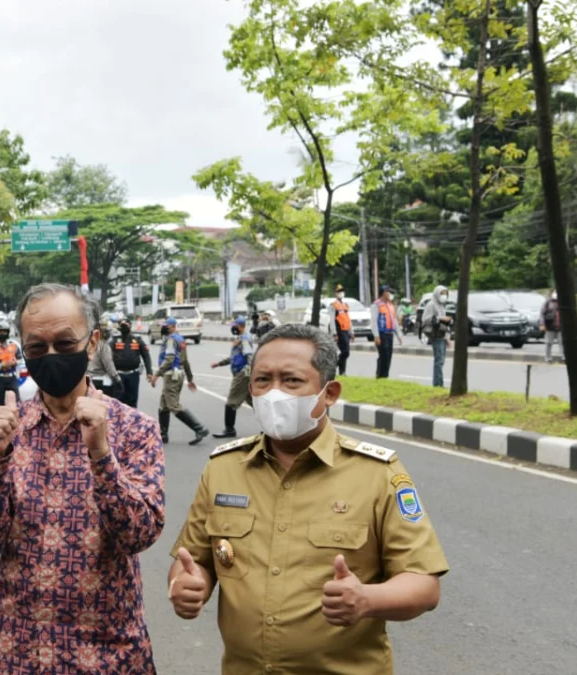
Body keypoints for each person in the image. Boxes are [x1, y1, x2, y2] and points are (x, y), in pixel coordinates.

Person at [167, 323, 447, 674]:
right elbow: (194, 559)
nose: (274, 393)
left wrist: (367, 599)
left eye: (292, 381)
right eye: (263, 380)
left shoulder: (378, 474)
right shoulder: (224, 468)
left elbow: (423, 583)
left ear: (329, 393)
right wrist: (186, 585)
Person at [0, 283, 165, 674]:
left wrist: (102, 455)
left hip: (106, 653)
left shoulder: (135, 430)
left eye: (65, 343)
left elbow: (139, 534)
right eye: (37, 347)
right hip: (14, 650)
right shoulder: (7, 428)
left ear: (92, 343)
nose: (51, 356)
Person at [150, 317, 209, 445]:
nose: (164, 328)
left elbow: (170, 359)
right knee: (163, 405)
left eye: (166, 326)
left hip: (172, 375)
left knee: (173, 405)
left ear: (173, 326)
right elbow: (185, 360)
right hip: (177, 374)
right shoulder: (180, 339)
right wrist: (189, 378)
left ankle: (200, 428)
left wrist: (156, 375)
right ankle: (163, 434)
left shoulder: (171, 340)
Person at [210, 316, 253, 438]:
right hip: (241, 374)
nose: (233, 328)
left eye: (235, 326)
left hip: (242, 374)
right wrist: (219, 364)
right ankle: (270, 426)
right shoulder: (239, 339)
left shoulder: (244, 339)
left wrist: (249, 370)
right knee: (255, 402)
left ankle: (229, 430)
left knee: (231, 402)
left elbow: (249, 355)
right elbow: (234, 357)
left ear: (241, 326)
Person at [109, 316, 153, 408]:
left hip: (133, 374)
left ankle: (132, 421)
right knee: (118, 400)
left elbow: (146, 355)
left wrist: (149, 372)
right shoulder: (114, 340)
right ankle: (119, 421)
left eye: (126, 325)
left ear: (130, 326)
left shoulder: (137, 340)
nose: (124, 327)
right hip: (118, 375)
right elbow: (106, 356)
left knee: (132, 399)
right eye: (122, 325)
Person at [422, 286, 453, 387]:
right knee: (439, 361)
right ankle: (438, 384)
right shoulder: (431, 305)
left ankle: (439, 383)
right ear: (436, 294)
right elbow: (426, 319)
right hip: (435, 335)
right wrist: (441, 318)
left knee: (441, 361)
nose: (444, 296)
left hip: (442, 335)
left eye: (445, 293)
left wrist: (447, 338)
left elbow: (444, 324)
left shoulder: (442, 306)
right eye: (442, 293)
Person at [0, 321, 23, 406]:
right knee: (0, 404)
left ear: (8, 333)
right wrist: (1, 366)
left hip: (12, 378)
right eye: (0, 332)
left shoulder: (14, 346)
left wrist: (14, 363)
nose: (2, 333)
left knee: (17, 403)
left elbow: (21, 359)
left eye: (4, 331)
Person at [371, 285, 402, 379]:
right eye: (387, 291)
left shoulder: (390, 305)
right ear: (383, 293)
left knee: (389, 355)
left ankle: (385, 375)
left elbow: (394, 321)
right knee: (383, 355)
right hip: (381, 334)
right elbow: (374, 321)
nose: (389, 293)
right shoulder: (376, 305)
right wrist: (376, 336)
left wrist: (399, 335)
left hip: (389, 334)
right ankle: (380, 375)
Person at [87, 319, 123, 397]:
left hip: (87, 381)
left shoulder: (87, 343)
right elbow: (109, 365)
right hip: (101, 382)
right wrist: (118, 380)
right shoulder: (103, 346)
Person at [327, 285, 354, 376]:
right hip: (339, 331)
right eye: (339, 291)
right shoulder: (333, 305)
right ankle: (334, 366)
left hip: (346, 331)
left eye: (342, 291)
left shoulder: (345, 305)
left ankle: (342, 372)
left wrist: (351, 332)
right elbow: (332, 320)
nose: (341, 293)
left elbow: (348, 319)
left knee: (345, 352)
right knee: (345, 352)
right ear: (335, 293)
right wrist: (334, 333)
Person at [541, 289, 563, 364]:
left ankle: (564, 357)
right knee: (548, 343)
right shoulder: (548, 302)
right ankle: (548, 358)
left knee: (562, 342)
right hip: (550, 326)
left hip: (560, 326)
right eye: (554, 292)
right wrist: (542, 324)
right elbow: (542, 314)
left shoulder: (562, 302)